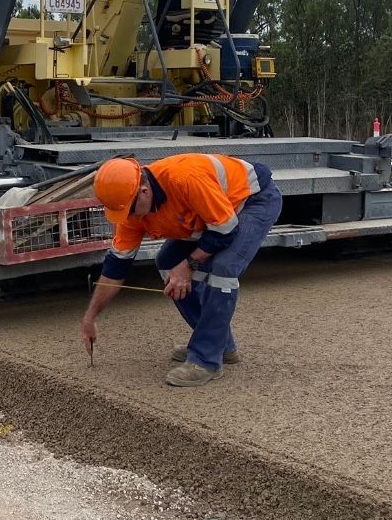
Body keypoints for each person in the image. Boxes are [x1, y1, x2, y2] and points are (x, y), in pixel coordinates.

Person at [80, 153, 283, 387]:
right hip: (214, 216)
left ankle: (206, 360)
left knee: (223, 269)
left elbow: (225, 231)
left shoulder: (184, 179)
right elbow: (116, 268)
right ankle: (220, 345)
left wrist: (189, 265)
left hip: (252, 201)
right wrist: (90, 316)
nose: (128, 218)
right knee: (167, 262)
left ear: (144, 191)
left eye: (129, 211)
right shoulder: (131, 208)